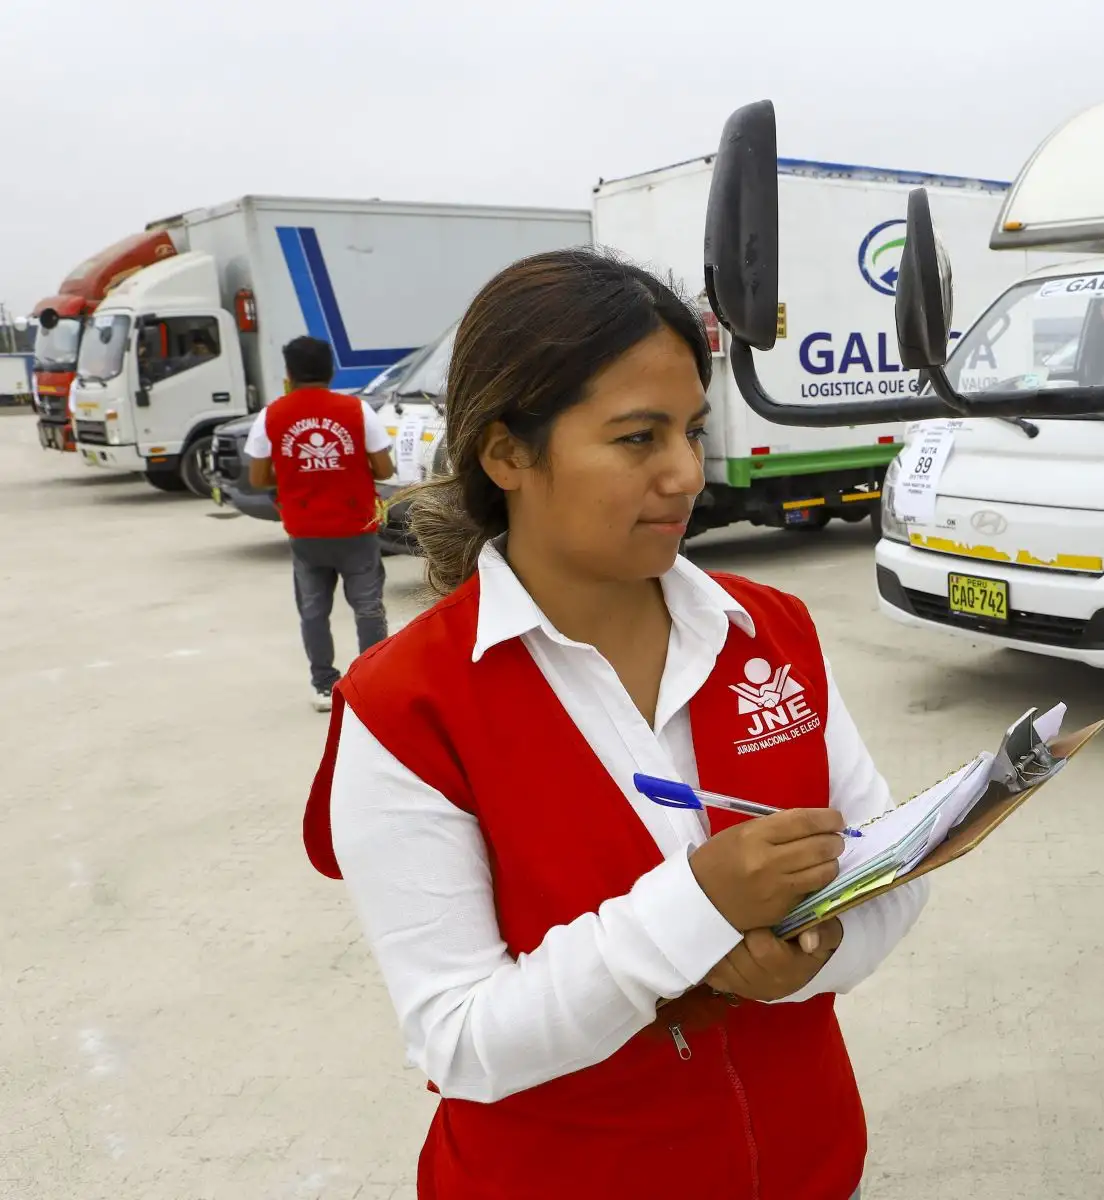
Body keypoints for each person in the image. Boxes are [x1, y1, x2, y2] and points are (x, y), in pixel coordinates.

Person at [302, 249, 926, 1199]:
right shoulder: (407, 709)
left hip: (810, 1164)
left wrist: (801, 964)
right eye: (638, 439)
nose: (686, 473)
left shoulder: (768, 633)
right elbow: (461, 1038)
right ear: (507, 452)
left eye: (692, 430)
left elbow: (890, 869)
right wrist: (695, 909)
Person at [246, 336, 396, 710]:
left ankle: (324, 686)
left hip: (305, 532)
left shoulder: (271, 415)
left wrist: (298, 472)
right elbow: (384, 468)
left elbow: (258, 477)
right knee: (368, 607)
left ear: (289, 373)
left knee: (313, 610)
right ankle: (373, 683)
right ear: (330, 369)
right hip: (355, 529)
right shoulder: (357, 410)